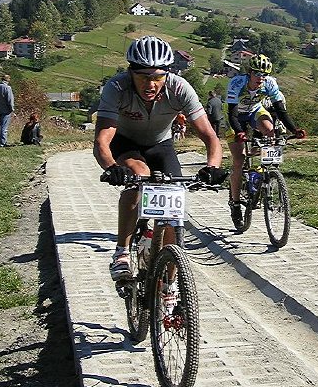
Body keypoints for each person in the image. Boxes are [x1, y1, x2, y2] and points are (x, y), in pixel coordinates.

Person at [94, 35, 227, 280]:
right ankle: (122, 253)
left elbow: (210, 136)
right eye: (143, 76)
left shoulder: (179, 88)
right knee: (139, 178)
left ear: (167, 74)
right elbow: (102, 140)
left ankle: (169, 286)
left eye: (157, 77)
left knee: (172, 202)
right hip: (126, 144)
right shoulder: (117, 87)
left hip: (161, 145)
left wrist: (213, 166)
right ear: (130, 72)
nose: (150, 84)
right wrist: (111, 166)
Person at [225, 54, 306, 229]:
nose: (261, 78)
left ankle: (264, 170)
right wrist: (239, 132)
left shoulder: (270, 84)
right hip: (235, 116)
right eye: (257, 74)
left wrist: (294, 130)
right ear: (250, 73)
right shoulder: (237, 83)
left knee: (271, 131)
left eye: (264, 74)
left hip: (255, 111)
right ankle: (236, 204)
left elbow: (281, 111)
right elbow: (232, 114)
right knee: (238, 160)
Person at [0, 74, 15, 147]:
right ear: (7, 79)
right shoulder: (7, 88)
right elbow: (10, 100)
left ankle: (0, 141)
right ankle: (3, 143)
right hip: (6, 110)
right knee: (4, 127)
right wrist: (12, 109)